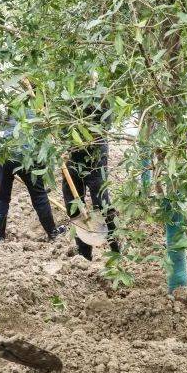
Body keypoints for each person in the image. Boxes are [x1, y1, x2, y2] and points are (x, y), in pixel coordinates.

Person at [0, 114, 65, 243]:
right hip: (29, 156)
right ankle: (52, 233)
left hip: (5, 155)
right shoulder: (37, 106)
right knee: (39, 196)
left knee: (3, 198)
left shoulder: (6, 106)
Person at [61, 100, 120, 260]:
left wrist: (88, 135)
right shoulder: (66, 96)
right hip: (73, 154)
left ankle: (115, 249)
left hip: (95, 154)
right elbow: (61, 123)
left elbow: (105, 124)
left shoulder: (99, 97)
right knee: (72, 204)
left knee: (101, 203)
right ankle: (84, 254)